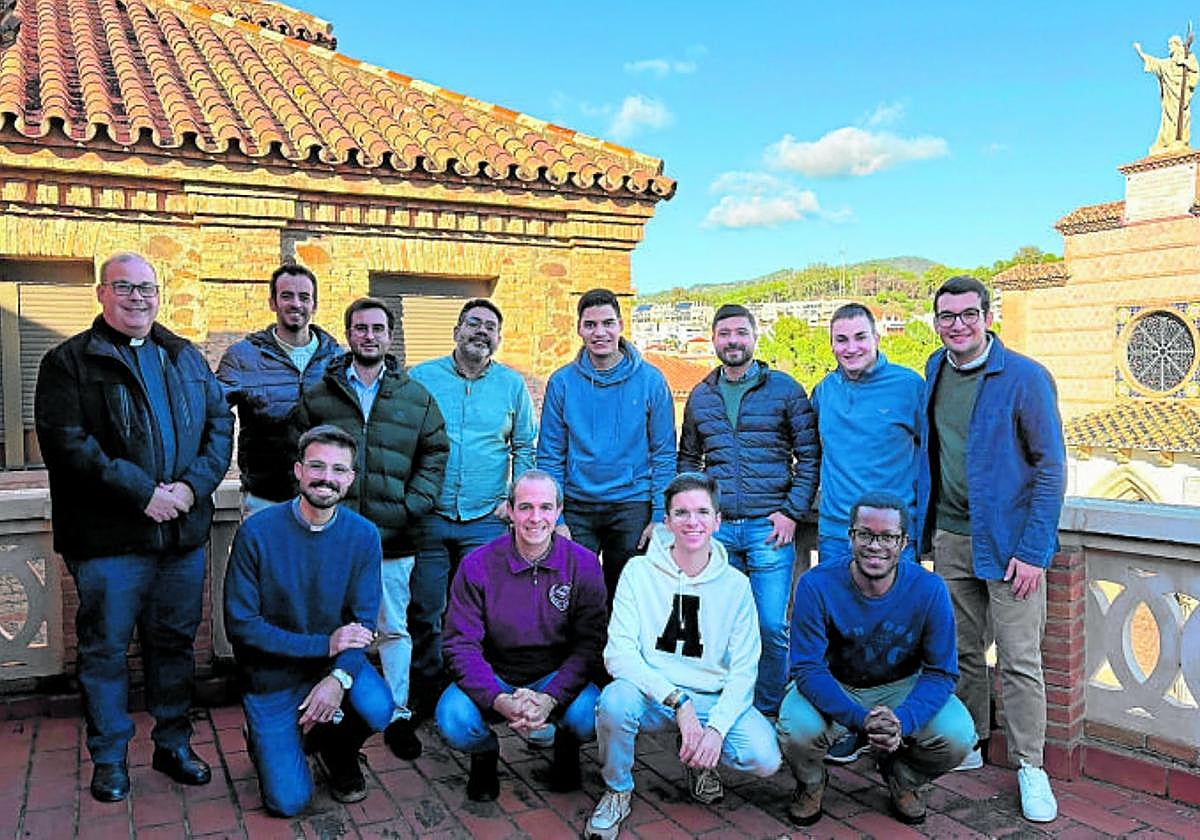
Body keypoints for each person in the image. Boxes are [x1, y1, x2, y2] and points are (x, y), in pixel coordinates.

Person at [34, 252, 233, 803]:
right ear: (101, 293)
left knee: (174, 647)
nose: (138, 297)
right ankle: (110, 759)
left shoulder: (185, 356)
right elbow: (68, 444)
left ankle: (172, 744)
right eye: (125, 287)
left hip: (181, 539)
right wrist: (142, 493)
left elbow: (220, 425)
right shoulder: (68, 362)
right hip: (110, 543)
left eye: (147, 287)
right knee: (104, 651)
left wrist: (191, 488)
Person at [917, 275, 1066, 823]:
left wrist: (1034, 550)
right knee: (962, 651)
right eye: (946, 316)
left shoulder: (1024, 377)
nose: (957, 324)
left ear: (987, 316)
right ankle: (973, 741)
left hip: (1010, 544)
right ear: (936, 322)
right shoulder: (934, 370)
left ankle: (1031, 765)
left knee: (1022, 659)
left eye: (967, 314)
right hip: (952, 536)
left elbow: (1051, 468)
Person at [291, 297, 449, 761]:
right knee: (331, 624)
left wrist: (411, 504)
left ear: (390, 335)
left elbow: (435, 452)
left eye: (378, 328)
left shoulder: (414, 396)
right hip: (331, 538)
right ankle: (331, 707)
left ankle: (397, 712)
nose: (370, 335)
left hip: (393, 537)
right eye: (361, 328)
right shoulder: (320, 395)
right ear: (349, 334)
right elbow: (296, 451)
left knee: (393, 627)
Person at [587, 473, 781, 840]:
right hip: (653, 695)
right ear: (667, 520)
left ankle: (698, 758)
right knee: (613, 702)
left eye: (702, 512)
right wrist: (678, 701)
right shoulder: (638, 572)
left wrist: (717, 728)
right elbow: (619, 655)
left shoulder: (736, 586)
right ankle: (617, 789)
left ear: (717, 521)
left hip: (710, 697)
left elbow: (744, 670)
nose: (692, 522)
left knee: (764, 756)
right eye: (682, 513)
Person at [224, 425, 393, 815]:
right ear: (298, 470)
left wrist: (338, 677)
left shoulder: (364, 535)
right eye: (317, 466)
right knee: (288, 802)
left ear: (350, 478)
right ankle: (267, 739)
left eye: (338, 470)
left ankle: (337, 750)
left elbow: (362, 623)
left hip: (329, 666)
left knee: (379, 706)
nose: (326, 478)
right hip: (272, 676)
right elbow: (242, 625)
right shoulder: (257, 533)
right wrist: (324, 645)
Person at [778, 493, 974, 826]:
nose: (875, 545)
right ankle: (811, 783)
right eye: (865, 534)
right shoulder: (816, 584)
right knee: (796, 728)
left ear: (904, 542)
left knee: (958, 736)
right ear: (851, 536)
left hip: (901, 685)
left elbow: (941, 672)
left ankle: (903, 775)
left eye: (887, 537)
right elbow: (807, 667)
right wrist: (859, 719)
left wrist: (904, 721)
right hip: (834, 682)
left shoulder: (929, 589)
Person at [677, 303, 817, 716]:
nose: (732, 341)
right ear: (714, 339)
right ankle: (727, 707)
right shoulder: (701, 395)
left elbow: (808, 456)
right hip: (718, 532)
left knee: (771, 626)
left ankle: (768, 710)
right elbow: (689, 460)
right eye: (724, 334)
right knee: (721, 627)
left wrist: (792, 511)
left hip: (769, 527)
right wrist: (695, 517)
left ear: (755, 337)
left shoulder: (785, 390)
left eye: (741, 332)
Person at [438, 470, 607, 801]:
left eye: (545, 508)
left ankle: (567, 748)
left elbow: (591, 644)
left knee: (593, 714)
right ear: (510, 511)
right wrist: (497, 699)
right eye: (525, 507)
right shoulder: (477, 565)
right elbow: (460, 644)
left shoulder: (584, 565)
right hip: (497, 673)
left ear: (559, 511)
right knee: (452, 719)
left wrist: (551, 697)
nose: (535, 518)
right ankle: (485, 753)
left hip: (555, 676)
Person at [409, 299, 536, 719]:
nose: (481, 331)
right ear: (456, 331)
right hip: (430, 515)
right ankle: (427, 694)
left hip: (486, 518)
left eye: (490, 327)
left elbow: (524, 448)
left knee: (481, 611)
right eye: (473, 323)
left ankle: (479, 692)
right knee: (426, 609)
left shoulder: (512, 385)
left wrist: (515, 500)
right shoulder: (422, 378)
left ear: (498, 338)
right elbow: (403, 438)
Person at [537, 288, 676, 608]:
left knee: (627, 599)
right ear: (579, 329)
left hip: (632, 506)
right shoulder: (561, 383)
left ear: (621, 325)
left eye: (608, 323)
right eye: (590, 324)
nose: (600, 332)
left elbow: (665, 453)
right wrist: (555, 518)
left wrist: (659, 514)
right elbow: (550, 454)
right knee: (573, 598)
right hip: (576, 506)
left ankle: (619, 660)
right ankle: (581, 660)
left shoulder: (652, 381)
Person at [216, 264, 341, 516]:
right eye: (287, 296)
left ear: (314, 305)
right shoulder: (243, 357)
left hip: (324, 500)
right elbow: (209, 416)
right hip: (264, 499)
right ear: (272, 302)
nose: (296, 304)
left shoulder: (336, 360)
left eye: (304, 297)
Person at [810, 303, 923, 567]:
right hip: (837, 535)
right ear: (831, 345)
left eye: (860, 337)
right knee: (836, 609)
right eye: (841, 340)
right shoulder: (824, 392)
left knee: (898, 609)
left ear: (877, 339)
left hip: (893, 534)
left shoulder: (909, 386)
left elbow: (932, 450)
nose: (851, 348)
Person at [1134, 36, 1199, 155]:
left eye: (1171, 45)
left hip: (1181, 98)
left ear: (1177, 45)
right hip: (1169, 99)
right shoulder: (1166, 64)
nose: (1169, 47)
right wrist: (1140, 52)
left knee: (1182, 118)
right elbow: (1154, 62)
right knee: (1168, 119)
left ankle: (1180, 141)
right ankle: (1168, 142)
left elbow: (1195, 72)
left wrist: (1185, 63)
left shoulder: (1188, 57)